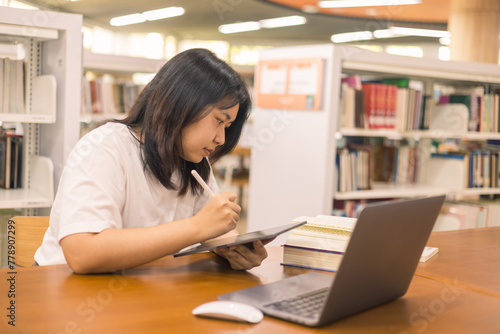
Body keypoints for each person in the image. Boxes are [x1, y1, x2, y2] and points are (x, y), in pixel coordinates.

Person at [34, 48, 268, 274]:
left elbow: (209, 229)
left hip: (137, 291)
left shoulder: (194, 162)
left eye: (227, 127)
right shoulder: (105, 148)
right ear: (182, 104)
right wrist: (197, 227)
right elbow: (83, 253)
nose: (221, 138)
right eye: (219, 121)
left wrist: (234, 246)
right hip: (66, 294)